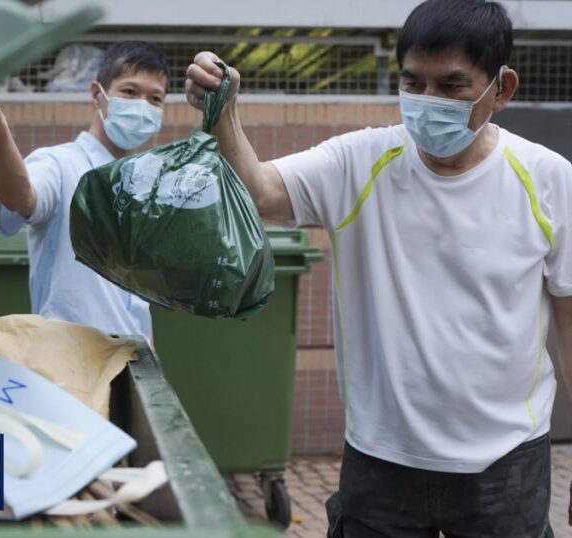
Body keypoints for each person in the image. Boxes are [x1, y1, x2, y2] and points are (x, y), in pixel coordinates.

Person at [185, 0, 571, 536]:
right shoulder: (359, 162)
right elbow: (260, 191)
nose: (428, 101)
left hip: (506, 462)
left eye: (451, 86)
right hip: (381, 458)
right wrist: (224, 113)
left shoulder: (548, 178)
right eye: (413, 83)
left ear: (501, 89)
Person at [0, 41, 171, 341]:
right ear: (98, 95)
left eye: (155, 98)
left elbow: (138, 299)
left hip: (134, 359)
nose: (142, 106)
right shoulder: (59, 164)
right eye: (130, 92)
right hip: (72, 360)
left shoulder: (143, 185)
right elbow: (20, 195)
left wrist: (150, 355)